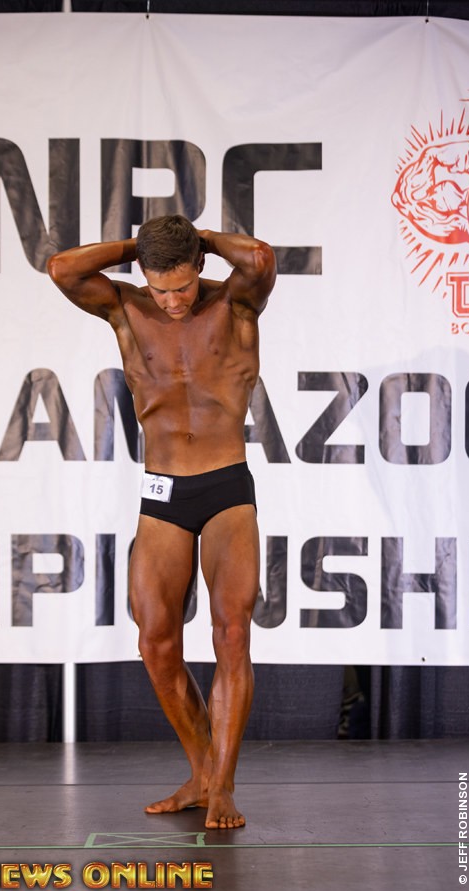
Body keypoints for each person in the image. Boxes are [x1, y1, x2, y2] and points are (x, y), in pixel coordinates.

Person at [47, 215, 276, 829]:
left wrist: (200, 240)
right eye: (160, 288)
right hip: (162, 491)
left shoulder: (236, 303)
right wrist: (137, 247)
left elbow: (258, 256)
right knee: (155, 641)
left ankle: (223, 787)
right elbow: (61, 268)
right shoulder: (127, 308)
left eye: (182, 286)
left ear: (200, 266)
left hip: (226, 487)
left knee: (232, 634)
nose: (173, 301)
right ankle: (200, 772)